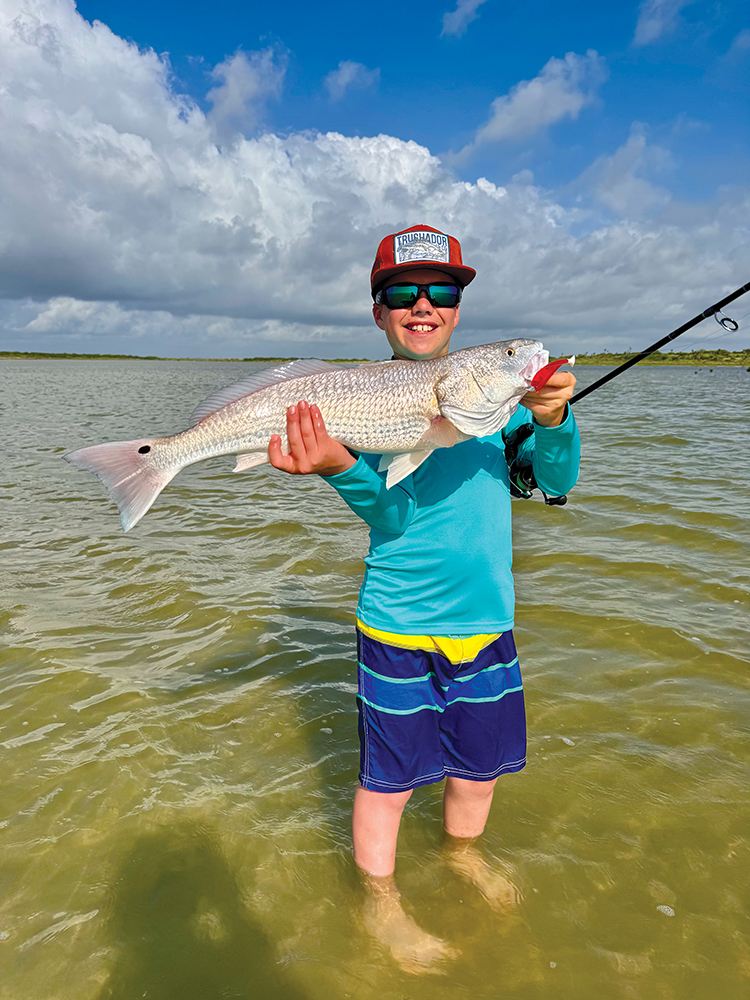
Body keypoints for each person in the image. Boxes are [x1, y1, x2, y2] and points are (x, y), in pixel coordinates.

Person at [268, 225, 579, 971]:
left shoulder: (500, 405)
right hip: (398, 623)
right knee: (388, 781)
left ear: (458, 310)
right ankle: (379, 902)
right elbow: (391, 514)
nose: (423, 305)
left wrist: (552, 419)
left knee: (480, 770)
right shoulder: (362, 405)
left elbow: (554, 482)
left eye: (441, 292)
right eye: (403, 292)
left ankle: (461, 859)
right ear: (379, 311)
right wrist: (340, 464)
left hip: (487, 622)